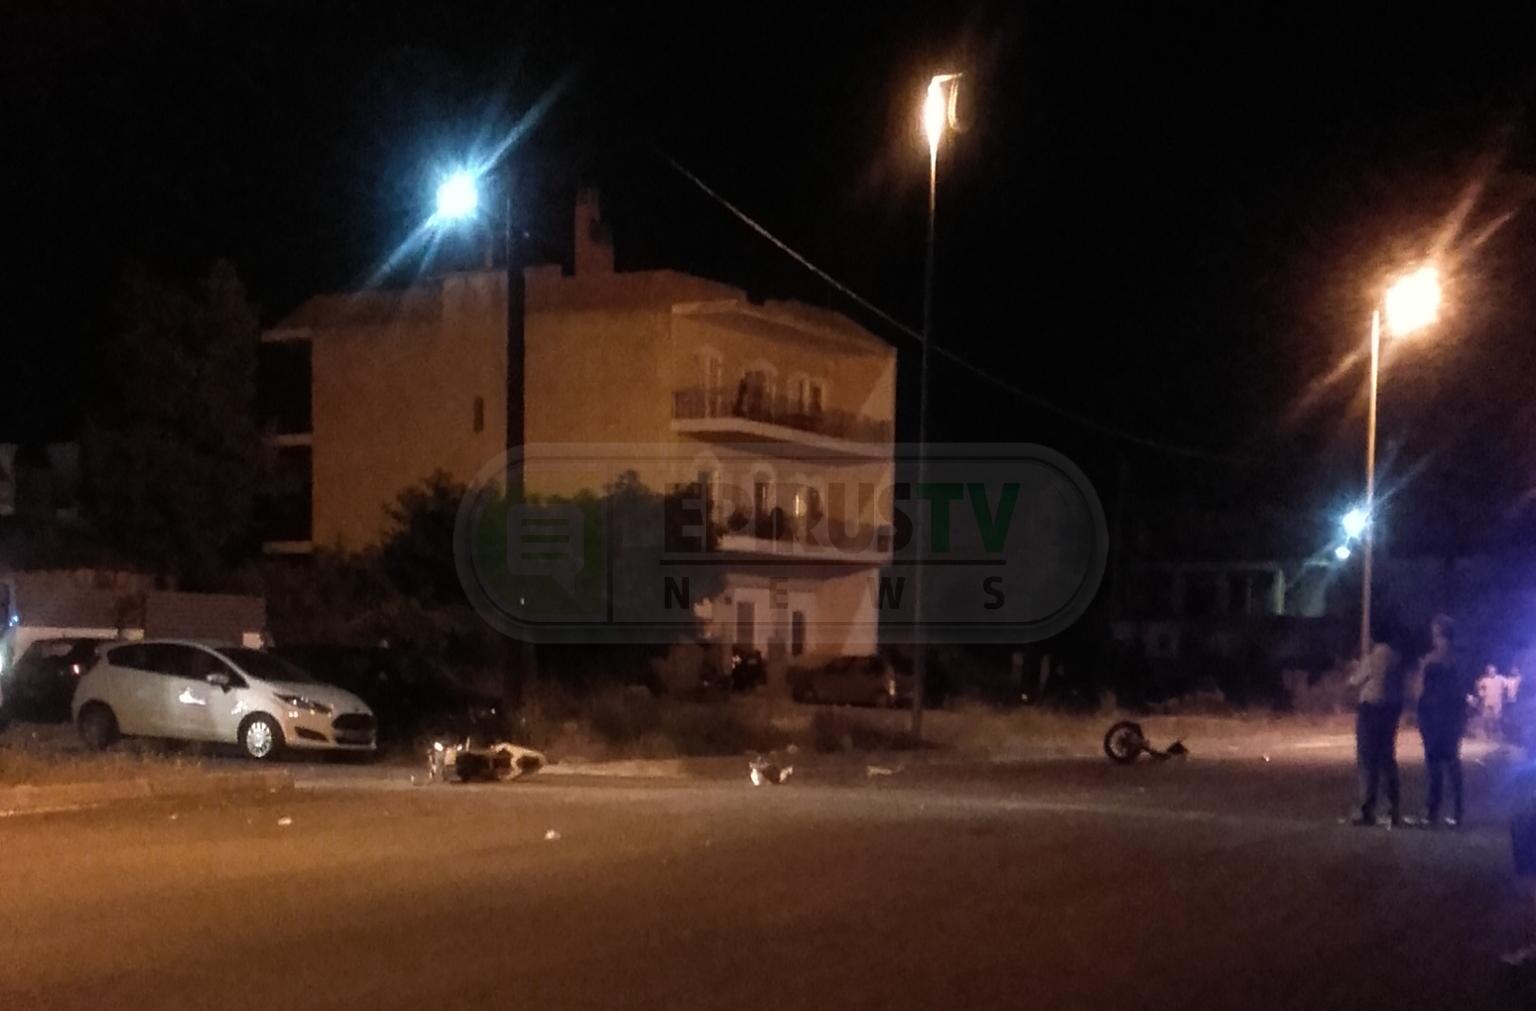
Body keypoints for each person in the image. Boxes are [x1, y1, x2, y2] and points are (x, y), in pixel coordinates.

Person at [1347, 617, 1404, 827]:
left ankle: (1367, 809)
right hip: (1390, 710)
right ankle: (1393, 808)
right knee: (1387, 759)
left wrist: (1353, 671)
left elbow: (1355, 681)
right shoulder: (1396, 657)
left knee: (1367, 759)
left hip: (1371, 709)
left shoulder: (1374, 656)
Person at [1415, 615, 1467, 827]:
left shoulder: (1430, 661)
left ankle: (1432, 811)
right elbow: (1461, 691)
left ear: (1439, 635)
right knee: (1453, 763)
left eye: (1435, 634)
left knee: (1434, 765)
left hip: (1432, 715)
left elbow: (1420, 691)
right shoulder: (1458, 660)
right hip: (1452, 717)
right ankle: (1457, 811)